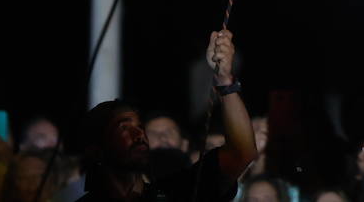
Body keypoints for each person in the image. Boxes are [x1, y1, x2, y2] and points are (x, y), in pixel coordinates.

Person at [71, 30, 256, 201]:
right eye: (123, 128)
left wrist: (224, 81)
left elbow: (241, 153)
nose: (139, 135)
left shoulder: (177, 191)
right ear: (96, 150)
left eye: (140, 127)